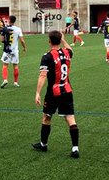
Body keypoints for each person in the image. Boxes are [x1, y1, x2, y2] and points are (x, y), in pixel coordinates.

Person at [32, 30, 80, 158]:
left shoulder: (47, 56)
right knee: (70, 118)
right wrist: (63, 40)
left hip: (53, 92)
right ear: (60, 40)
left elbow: (43, 75)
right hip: (67, 90)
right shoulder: (67, 53)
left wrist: (37, 93)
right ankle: (75, 148)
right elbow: (70, 49)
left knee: (46, 117)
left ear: (49, 41)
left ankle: (43, 144)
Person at [0, 15, 27, 88]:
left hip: (7, 50)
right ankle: (15, 82)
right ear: (14, 21)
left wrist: (6, 40)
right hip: (15, 51)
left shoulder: (4, 29)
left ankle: (5, 80)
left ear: (9, 20)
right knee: (15, 66)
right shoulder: (18, 29)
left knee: (5, 65)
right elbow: (22, 40)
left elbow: (2, 40)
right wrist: (24, 47)